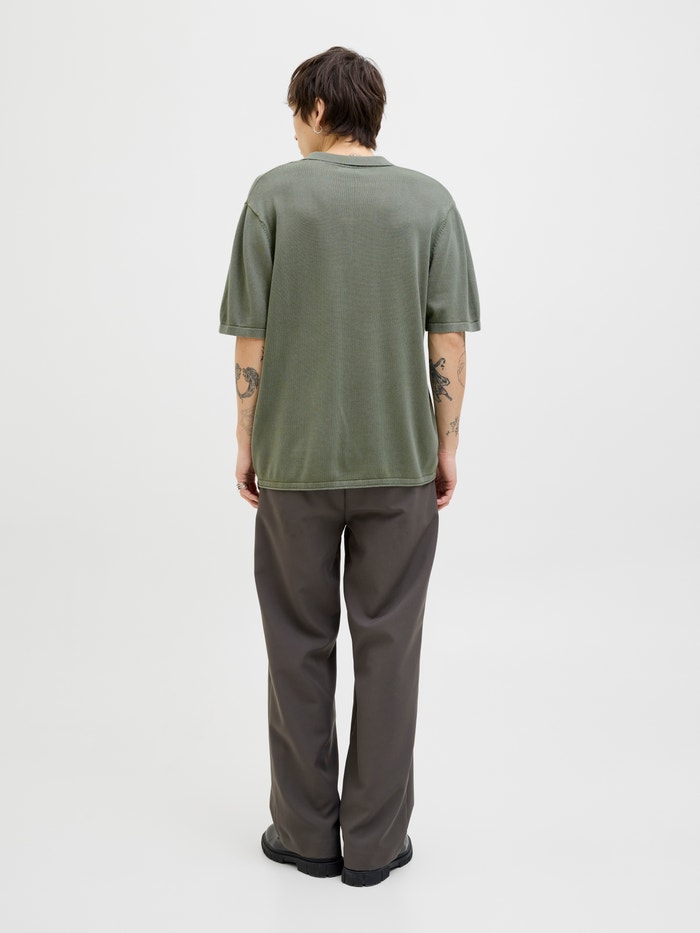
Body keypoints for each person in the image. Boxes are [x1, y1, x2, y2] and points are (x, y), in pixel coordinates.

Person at [218, 46, 480, 886]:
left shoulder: (272, 196)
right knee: (390, 651)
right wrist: (444, 443)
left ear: (321, 109)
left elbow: (251, 338)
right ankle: (375, 843)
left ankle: (305, 834)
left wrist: (247, 439)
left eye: (295, 111)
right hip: (399, 465)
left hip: (294, 463)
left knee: (297, 646)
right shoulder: (430, 202)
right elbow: (448, 338)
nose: (292, 128)